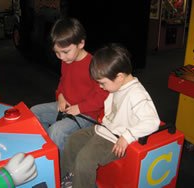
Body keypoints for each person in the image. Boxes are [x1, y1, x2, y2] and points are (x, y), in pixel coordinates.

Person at [60, 43, 160, 188]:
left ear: (119, 76)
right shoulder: (118, 85)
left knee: (85, 159)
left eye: (102, 83)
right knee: (72, 140)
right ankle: (70, 178)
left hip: (116, 138)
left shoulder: (137, 94)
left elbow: (152, 121)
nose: (101, 87)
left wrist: (127, 136)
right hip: (104, 129)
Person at [30, 18, 108, 155]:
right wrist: (60, 96)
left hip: (86, 114)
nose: (61, 57)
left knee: (56, 131)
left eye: (65, 51)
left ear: (81, 43)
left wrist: (79, 108)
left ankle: (65, 168)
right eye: (57, 52)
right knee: (34, 112)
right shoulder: (67, 60)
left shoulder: (94, 66)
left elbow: (102, 96)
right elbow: (63, 81)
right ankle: (50, 153)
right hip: (66, 106)